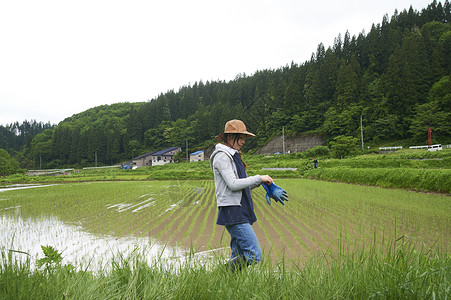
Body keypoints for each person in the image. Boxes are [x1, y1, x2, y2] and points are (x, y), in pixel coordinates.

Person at [210, 119, 274, 272]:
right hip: (233, 211)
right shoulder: (222, 156)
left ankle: (228, 285)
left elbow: (242, 186)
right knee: (253, 255)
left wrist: (262, 183)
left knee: (237, 254)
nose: (244, 141)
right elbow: (233, 184)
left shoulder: (233, 156)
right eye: (242, 137)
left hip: (239, 208)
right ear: (230, 137)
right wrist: (259, 177)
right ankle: (217, 275)